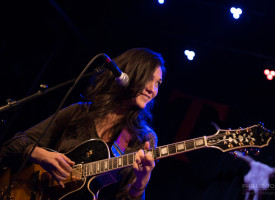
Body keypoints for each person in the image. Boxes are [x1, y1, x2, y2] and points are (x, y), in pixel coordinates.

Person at [0, 48, 166, 200]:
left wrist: (140, 184)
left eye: (158, 83)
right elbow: (10, 146)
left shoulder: (143, 139)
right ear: (131, 73)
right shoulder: (80, 112)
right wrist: (38, 154)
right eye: (149, 79)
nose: (153, 89)